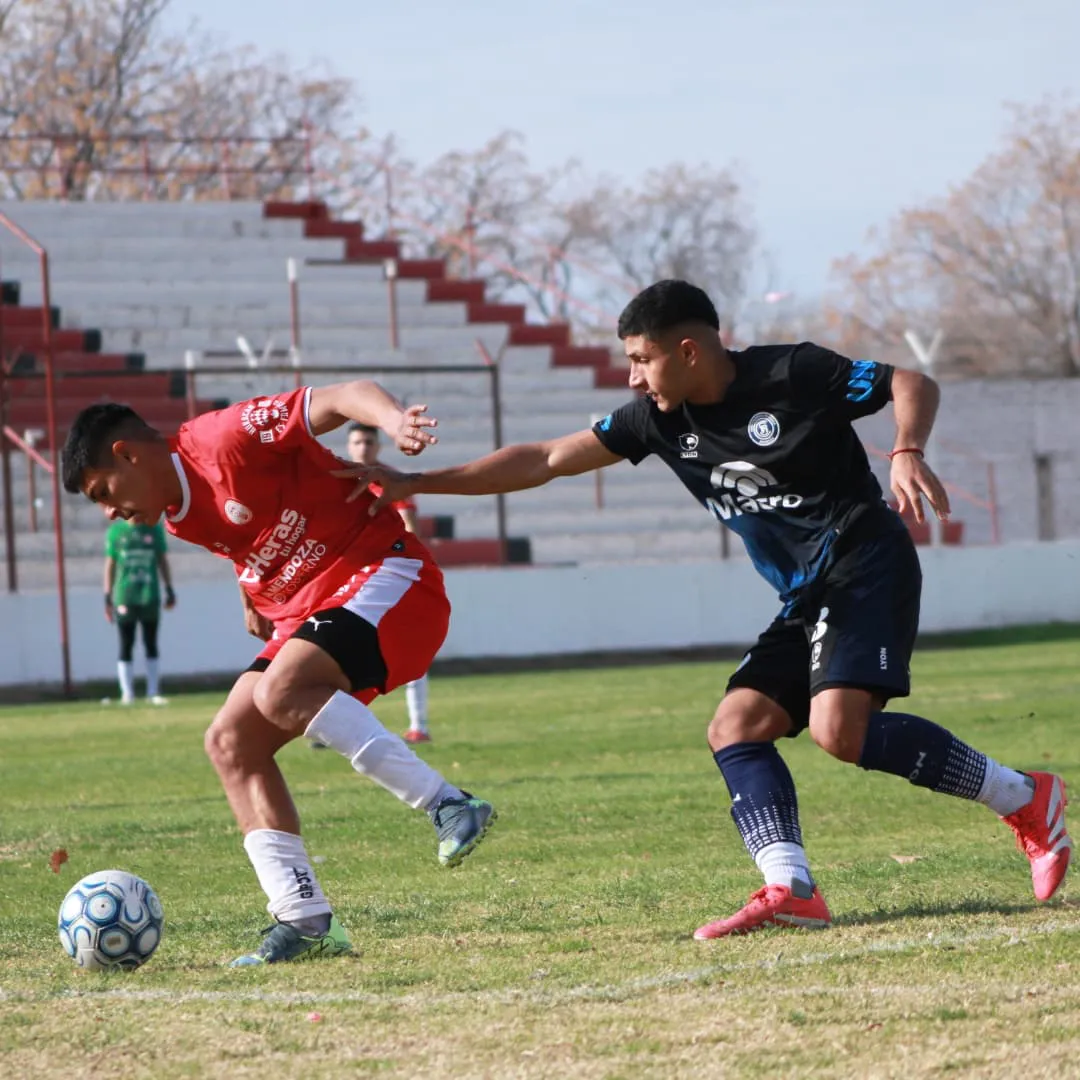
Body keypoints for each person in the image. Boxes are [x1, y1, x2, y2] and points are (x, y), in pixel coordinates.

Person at [342, 279, 1071, 938]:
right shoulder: (656, 419)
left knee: (838, 733)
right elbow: (545, 459)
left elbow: (911, 379)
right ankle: (791, 887)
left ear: (688, 350)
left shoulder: (791, 372)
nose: (632, 376)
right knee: (736, 726)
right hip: (804, 592)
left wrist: (906, 448)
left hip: (863, 560)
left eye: (642, 358)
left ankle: (1024, 797)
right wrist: (417, 484)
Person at [62, 381, 497, 966]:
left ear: (127, 455)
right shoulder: (177, 519)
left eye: (102, 493)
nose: (110, 512)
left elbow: (346, 394)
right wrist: (251, 586)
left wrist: (394, 422)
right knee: (229, 742)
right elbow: (254, 534)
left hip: (388, 578)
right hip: (311, 609)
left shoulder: (223, 437)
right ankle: (305, 919)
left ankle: (448, 804)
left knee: (280, 689)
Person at [345, 422, 431, 743]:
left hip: (390, 577)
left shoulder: (393, 481)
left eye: (369, 441)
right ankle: (339, 729)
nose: (363, 447)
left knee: (409, 652)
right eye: (357, 442)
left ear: (378, 446)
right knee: (342, 655)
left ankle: (419, 726)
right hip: (349, 579)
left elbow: (410, 530)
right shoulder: (337, 481)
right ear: (349, 446)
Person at [103, 516, 175, 705]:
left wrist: (169, 588)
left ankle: (152, 692)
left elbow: (162, 560)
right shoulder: (116, 532)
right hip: (125, 596)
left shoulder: (154, 530)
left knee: (150, 642)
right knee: (126, 643)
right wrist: (107, 597)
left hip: (149, 594)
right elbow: (110, 565)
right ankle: (127, 694)